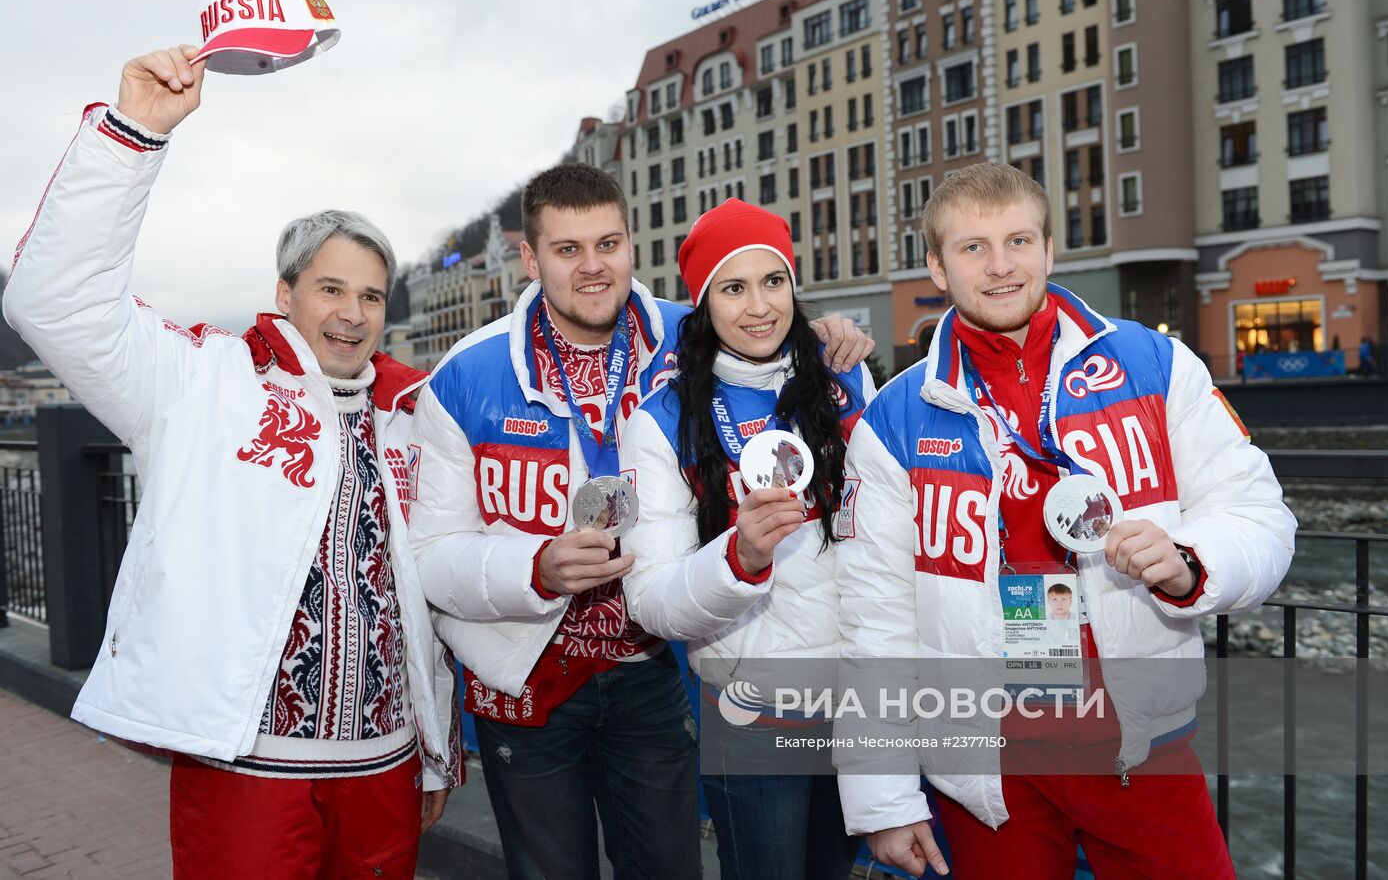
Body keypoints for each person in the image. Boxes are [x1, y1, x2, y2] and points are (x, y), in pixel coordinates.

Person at [3, 46, 459, 878]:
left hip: (384, 769)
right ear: (285, 293)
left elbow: (419, 591)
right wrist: (133, 134)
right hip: (246, 768)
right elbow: (53, 302)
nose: (352, 314)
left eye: (370, 295)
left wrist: (433, 745)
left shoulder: (410, 415)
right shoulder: (203, 381)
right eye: (331, 289)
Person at [409, 168, 873, 879]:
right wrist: (532, 569)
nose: (593, 266)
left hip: (647, 670)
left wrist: (828, 333)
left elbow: (760, 320)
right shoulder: (466, 377)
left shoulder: (682, 340)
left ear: (632, 247)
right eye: (567, 249)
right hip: (524, 675)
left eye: (608, 243)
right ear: (530, 260)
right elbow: (430, 556)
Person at [835, 162, 1294, 879]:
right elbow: (875, 621)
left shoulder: (1155, 363)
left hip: (1141, 745)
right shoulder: (893, 420)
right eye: (972, 247)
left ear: (1049, 248)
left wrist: (1191, 561)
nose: (999, 266)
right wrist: (884, 796)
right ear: (936, 265)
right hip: (987, 766)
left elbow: (1258, 511)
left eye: (1018, 240)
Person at [618, 200, 872, 880]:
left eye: (774, 281)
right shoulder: (663, 421)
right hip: (755, 713)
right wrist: (740, 558)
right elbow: (650, 603)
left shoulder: (845, 379)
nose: (759, 306)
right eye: (733, 287)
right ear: (703, 303)